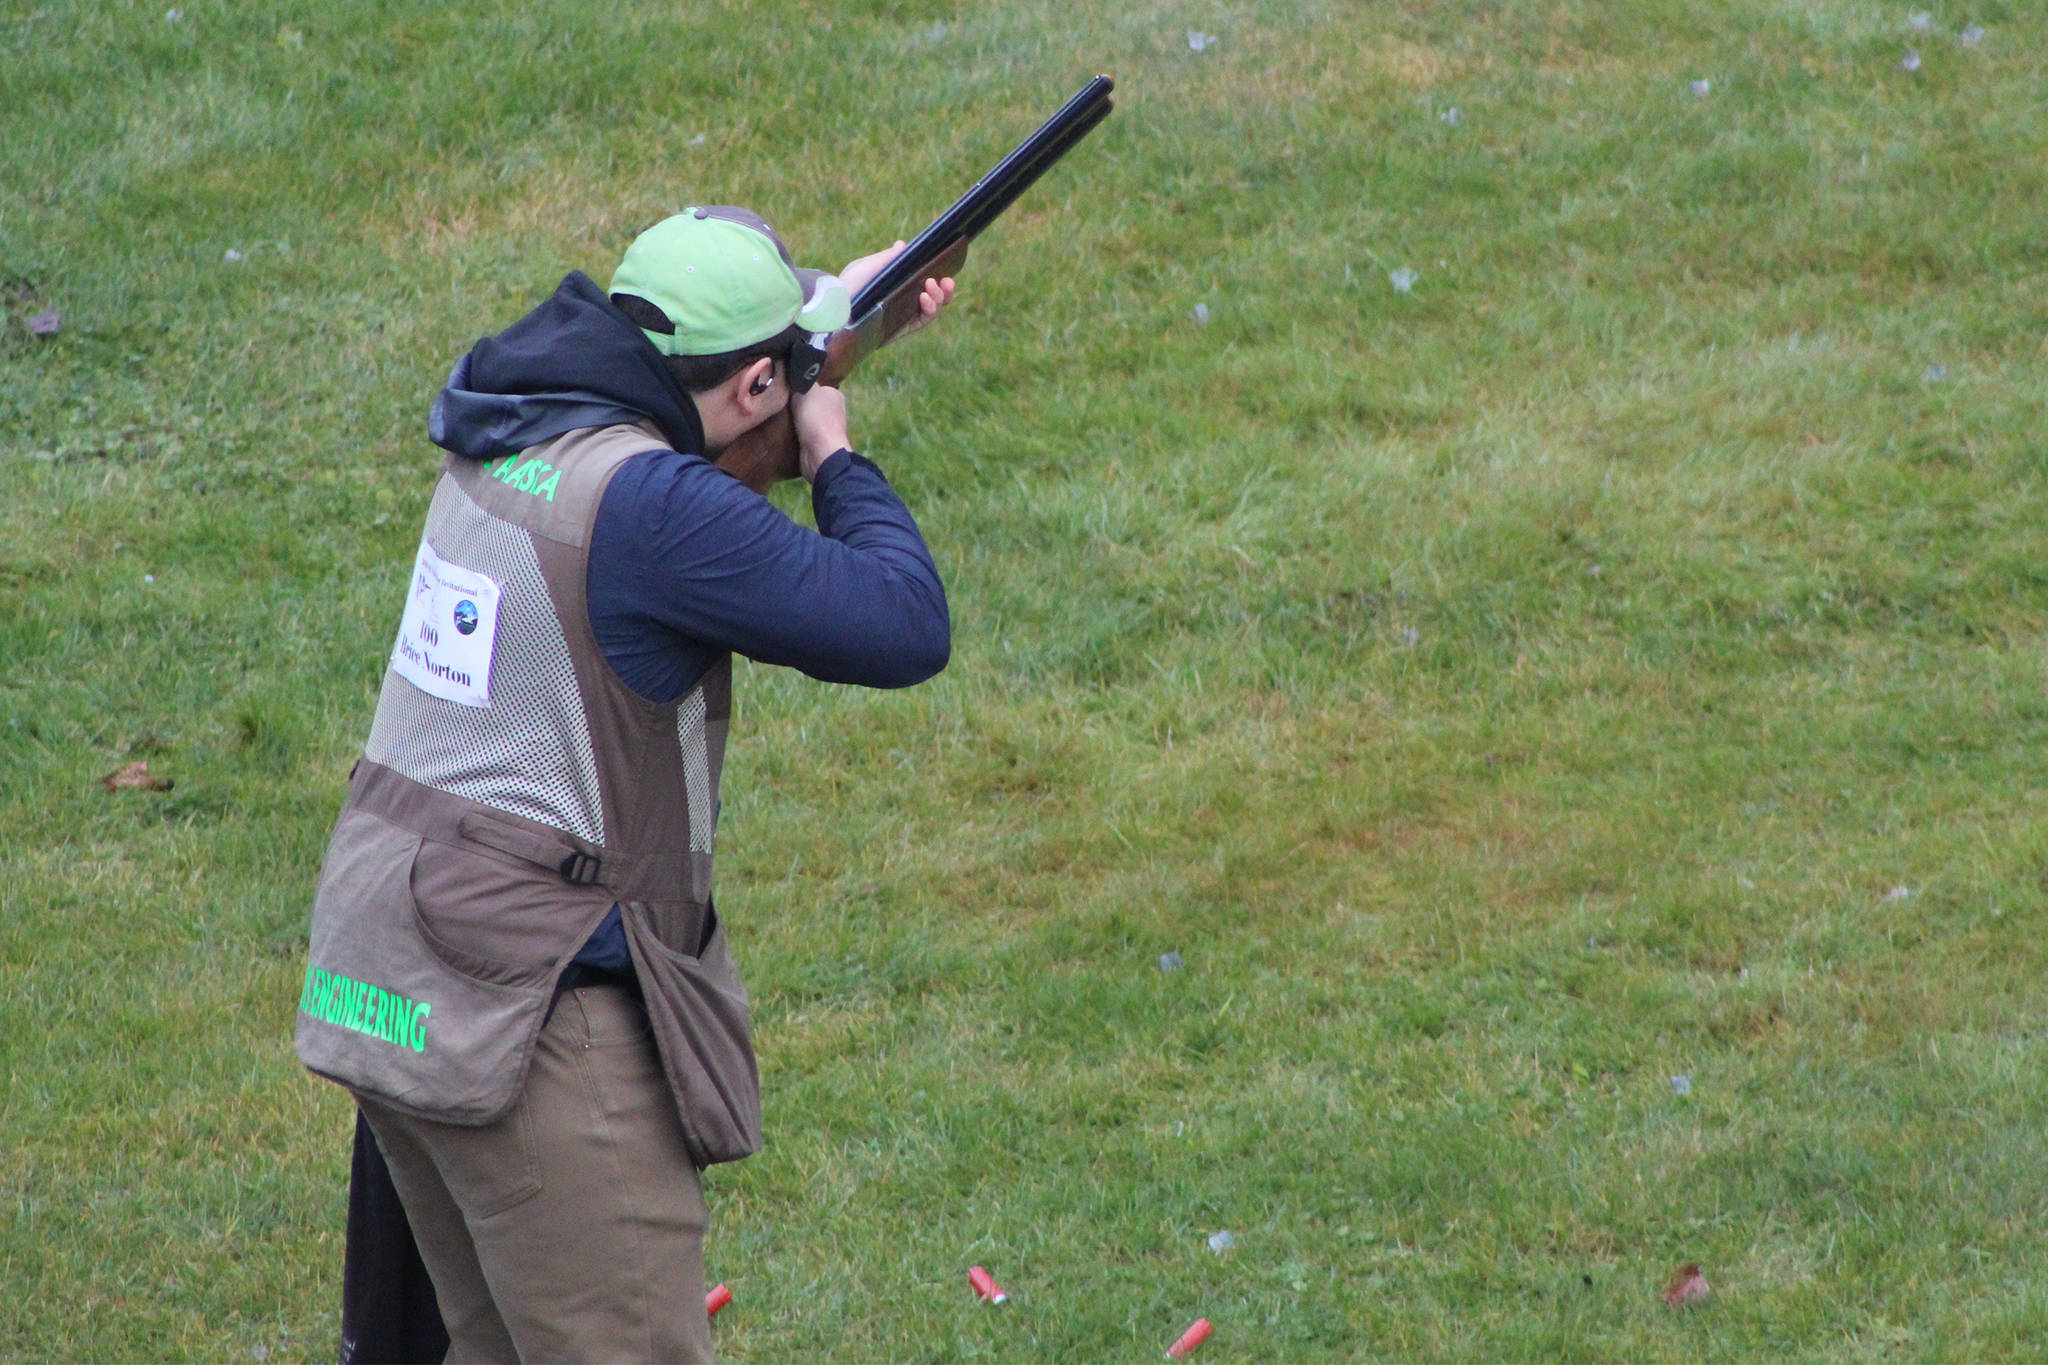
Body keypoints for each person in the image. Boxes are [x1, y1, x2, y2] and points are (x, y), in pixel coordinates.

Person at [296, 205, 955, 1363]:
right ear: (758, 386)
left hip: (391, 973)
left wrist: (847, 313)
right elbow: (900, 623)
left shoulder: (519, 409)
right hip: (526, 1011)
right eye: (784, 378)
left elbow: (722, 373)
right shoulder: (655, 508)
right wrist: (832, 447)